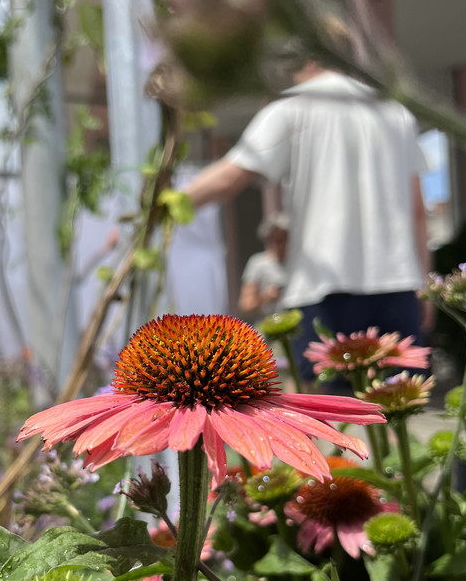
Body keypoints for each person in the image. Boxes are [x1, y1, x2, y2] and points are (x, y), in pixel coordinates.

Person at [183, 57, 431, 382]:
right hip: (398, 284)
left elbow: (230, 178)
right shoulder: (396, 113)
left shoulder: (294, 108)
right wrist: (424, 286)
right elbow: (417, 211)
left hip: (322, 289)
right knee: (401, 411)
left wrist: (159, 206)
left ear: (309, 60)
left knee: (328, 417)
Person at [238, 213, 288, 317]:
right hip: (268, 326)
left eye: (284, 239)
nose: (280, 245)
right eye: (276, 240)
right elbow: (246, 305)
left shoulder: (296, 262)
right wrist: (266, 297)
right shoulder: (258, 263)